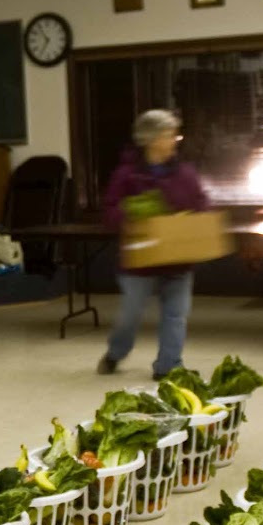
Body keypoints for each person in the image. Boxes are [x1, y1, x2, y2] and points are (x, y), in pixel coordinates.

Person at [98, 109, 207, 379]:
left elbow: (201, 202)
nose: (174, 140)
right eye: (169, 135)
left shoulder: (185, 173)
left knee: (176, 315)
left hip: (178, 257)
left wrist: (197, 220)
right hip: (140, 262)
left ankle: (168, 366)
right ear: (151, 139)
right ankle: (115, 353)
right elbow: (109, 212)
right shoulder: (126, 175)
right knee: (130, 316)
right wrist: (132, 213)